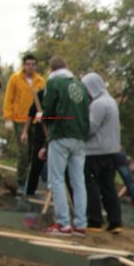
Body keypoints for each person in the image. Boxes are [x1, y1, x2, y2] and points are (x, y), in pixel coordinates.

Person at [41, 56, 90, 236]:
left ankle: (63, 223)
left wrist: (44, 119)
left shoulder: (54, 82)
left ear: (51, 69)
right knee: (78, 181)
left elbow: (48, 110)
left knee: (57, 179)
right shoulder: (81, 86)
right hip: (80, 136)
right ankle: (80, 224)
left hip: (61, 134)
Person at [81, 72, 123, 234]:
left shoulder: (98, 104)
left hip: (95, 151)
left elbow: (91, 128)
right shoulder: (110, 101)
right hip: (110, 150)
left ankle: (94, 221)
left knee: (91, 184)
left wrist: (78, 130)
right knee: (108, 187)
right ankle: (115, 221)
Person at [3, 54, 45, 189]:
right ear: (24, 65)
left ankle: (31, 182)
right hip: (20, 119)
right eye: (28, 64)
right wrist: (8, 118)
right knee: (24, 152)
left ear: (36, 66)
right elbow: (8, 98)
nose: (30, 67)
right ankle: (21, 181)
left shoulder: (40, 81)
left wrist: (42, 115)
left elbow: (43, 100)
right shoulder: (15, 79)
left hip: (35, 120)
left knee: (35, 151)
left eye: (33, 64)